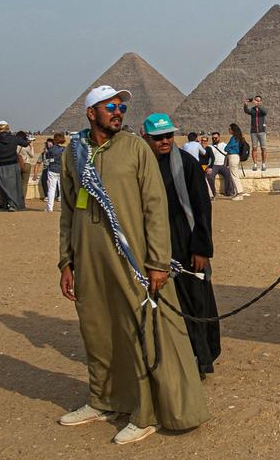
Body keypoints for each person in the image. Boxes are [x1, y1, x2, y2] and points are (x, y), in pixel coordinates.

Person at [57, 86, 210, 445]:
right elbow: (67, 210)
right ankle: (103, 399)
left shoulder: (135, 149)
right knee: (96, 330)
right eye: (110, 106)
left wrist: (158, 261)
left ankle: (145, 413)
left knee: (138, 331)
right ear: (91, 113)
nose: (118, 111)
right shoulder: (74, 154)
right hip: (88, 257)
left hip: (132, 259)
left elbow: (155, 209)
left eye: (121, 106)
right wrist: (66, 260)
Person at [142, 113, 221, 378]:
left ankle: (201, 359)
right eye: (158, 138)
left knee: (195, 303)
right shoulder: (142, 166)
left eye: (168, 136)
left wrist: (202, 249)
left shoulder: (185, 164)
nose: (165, 142)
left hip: (186, 246)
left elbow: (201, 207)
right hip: (153, 246)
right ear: (146, 138)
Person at [0, 121, 30, 211]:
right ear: (8, 128)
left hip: (0, 166)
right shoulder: (14, 138)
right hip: (12, 165)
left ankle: (4, 205)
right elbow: (25, 143)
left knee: (2, 187)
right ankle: (13, 205)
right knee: (13, 187)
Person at [42, 133, 66, 212]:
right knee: (62, 189)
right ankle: (63, 208)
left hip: (52, 170)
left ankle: (50, 207)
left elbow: (47, 157)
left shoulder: (51, 149)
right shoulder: (64, 149)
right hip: (61, 170)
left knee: (51, 189)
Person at [243, 95, 268, 171]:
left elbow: (265, 112)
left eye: (258, 100)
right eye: (256, 100)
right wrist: (245, 105)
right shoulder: (253, 110)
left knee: (263, 148)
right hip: (253, 132)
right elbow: (246, 111)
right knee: (254, 148)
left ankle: (263, 164)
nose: (256, 101)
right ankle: (255, 164)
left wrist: (257, 105)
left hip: (262, 132)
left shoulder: (262, 109)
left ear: (261, 101)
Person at [225, 123, 248, 201]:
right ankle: (237, 192)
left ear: (232, 130)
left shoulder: (234, 138)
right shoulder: (239, 138)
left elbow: (227, 147)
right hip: (236, 157)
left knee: (234, 175)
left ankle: (239, 193)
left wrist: (228, 149)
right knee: (235, 175)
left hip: (233, 157)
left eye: (229, 129)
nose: (229, 130)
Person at [206, 132, 232, 198]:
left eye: (215, 138)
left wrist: (228, 164)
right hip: (213, 165)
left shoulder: (224, 145)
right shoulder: (209, 147)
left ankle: (228, 192)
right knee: (209, 176)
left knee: (229, 174)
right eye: (213, 138)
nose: (214, 139)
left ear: (219, 138)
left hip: (223, 165)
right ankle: (213, 193)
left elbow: (228, 155)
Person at [16, 131, 36, 202]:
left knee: (17, 183)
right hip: (26, 164)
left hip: (17, 165)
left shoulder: (15, 145)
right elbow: (32, 155)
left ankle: (16, 199)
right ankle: (22, 200)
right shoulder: (26, 146)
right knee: (24, 184)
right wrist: (31, 146)